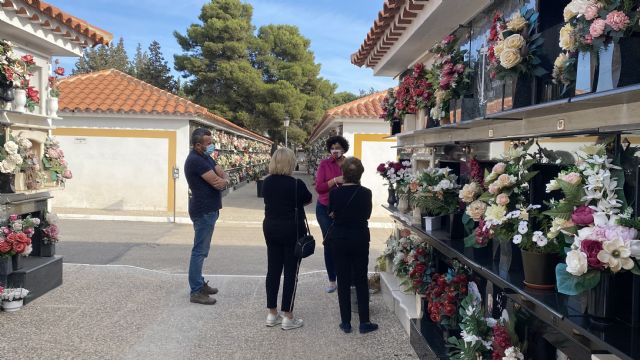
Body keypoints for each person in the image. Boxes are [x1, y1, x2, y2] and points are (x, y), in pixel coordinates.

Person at [262, 148, 312, 330]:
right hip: (292, 229)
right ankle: (288, 316)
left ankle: (272, 313)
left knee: (273, 270)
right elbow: (308, 200)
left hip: (270, 227)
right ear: (291, 163)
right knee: (291, 272)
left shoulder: (266, 183)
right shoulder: (297, 184)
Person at [327, 157, 378, 334]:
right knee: (361, 279)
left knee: (342, 279)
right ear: (360, 174)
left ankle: (346, 322)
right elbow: (367, 214)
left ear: (343, 174)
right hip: (360, 238)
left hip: (339, 239)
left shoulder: (334, 193)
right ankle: (364, 322)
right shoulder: (366, 193)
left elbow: (331, 213)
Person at [184, 128, 230, 305]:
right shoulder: (196, 161)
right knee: (199, 251)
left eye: (211, 142)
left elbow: (221, 172)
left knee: (203, 251)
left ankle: (199, 283)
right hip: (203, 210)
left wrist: (223, 179)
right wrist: (225, 181)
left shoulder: (205, 157)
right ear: (197, 145)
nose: (211, 146)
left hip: (209, 209)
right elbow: (218, 182)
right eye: (208, 143)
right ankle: (196, 291)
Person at [314, 135, 349, 293]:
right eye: (333, 148)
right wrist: (335, 180)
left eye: (338, 148)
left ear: (343, 149)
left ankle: (344, 277)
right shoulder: (324, 164)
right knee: (329, 242)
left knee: (343, 242)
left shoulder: (349, 163)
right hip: (324, 208)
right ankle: (332, 280)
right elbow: (320, 187)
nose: (336, 151)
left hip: (343, 209)